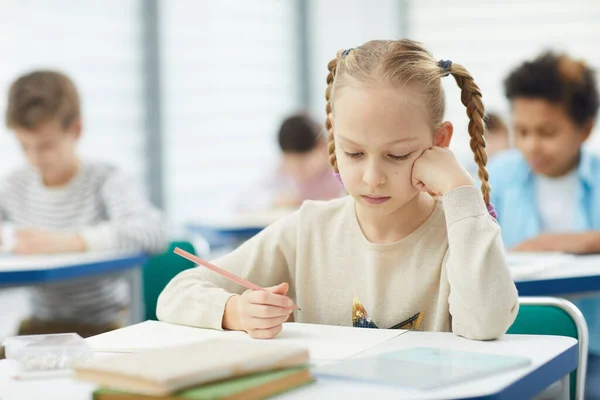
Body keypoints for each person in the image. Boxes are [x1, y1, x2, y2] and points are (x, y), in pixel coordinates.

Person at [157, 39, 518, 342]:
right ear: (333, 135)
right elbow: (176, 293)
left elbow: (485, 323)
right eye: (354, 152)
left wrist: (459, 189)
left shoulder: (460, 232)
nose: (372, 177)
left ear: (439, 143)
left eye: (397, 155)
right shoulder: (308, 229)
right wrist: (235, 311)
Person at [0, 70, 165, 345]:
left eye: (46, 146)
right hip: (37, 328)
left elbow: (152, 232)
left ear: (75, 130)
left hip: (103, 327)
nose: (35, 157)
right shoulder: (14, 186)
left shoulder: (105, 179)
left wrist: (70, 241)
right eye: (24, 146)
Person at [488, 51, 600, 398]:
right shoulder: (496, 176)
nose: (530, 145)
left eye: (547, 132)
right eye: (521, 131)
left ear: (584, 129)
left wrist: (564, 241)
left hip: (593, 348)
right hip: (514, 340)